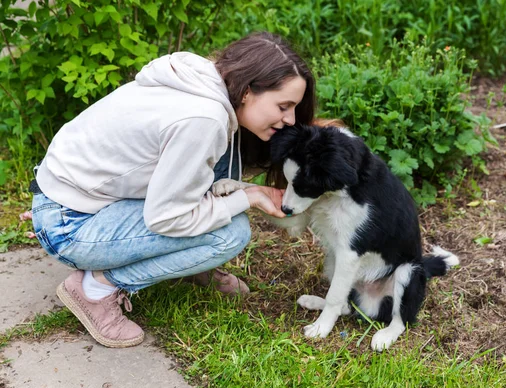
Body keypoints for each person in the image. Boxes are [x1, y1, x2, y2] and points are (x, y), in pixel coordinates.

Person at [29, 32, 316, 348]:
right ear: (248, 91)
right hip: (70, 226)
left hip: (65, 200)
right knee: (230, 233)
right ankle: (96, 288)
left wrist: (244, 191)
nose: (290, 120)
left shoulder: (201, 78)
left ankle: (195, 264)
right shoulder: (203, 118)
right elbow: (166, 218)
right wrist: (247, 196)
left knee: (218, 172)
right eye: (283, 106)